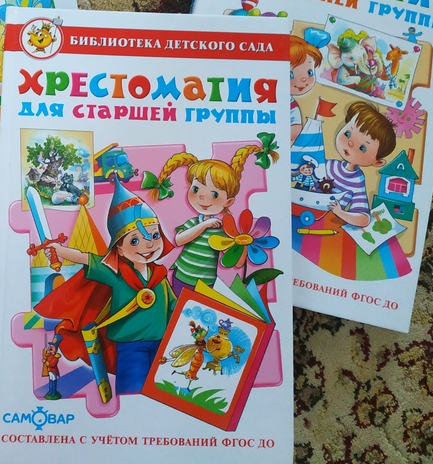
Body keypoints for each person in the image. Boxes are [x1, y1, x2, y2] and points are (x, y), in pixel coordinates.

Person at [45, 177, 176, 395]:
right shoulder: (116, 273)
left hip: (162, 342)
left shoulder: (160, 275)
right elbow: (87, 258)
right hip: (131, 346)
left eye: (155, 235)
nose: (149, 244)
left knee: (163, 390)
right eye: (135, 241)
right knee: (133, 393)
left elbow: (172, 305)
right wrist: (59, 251)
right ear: (119, 249)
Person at [143, 143, 276, 295]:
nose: (201, 197)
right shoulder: (193, 223)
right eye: (195, 189)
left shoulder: (223, 231)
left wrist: (244, 246)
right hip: (181, 276)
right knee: (177, 305)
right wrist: (204, 225)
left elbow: (236, 262)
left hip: (205, 283)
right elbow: (179, 240)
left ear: (228, 202)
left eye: (214, 194)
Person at [325, 101, 396, 227]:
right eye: (348, 134)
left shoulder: (356, 180)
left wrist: (340, 213)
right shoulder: (330, 165)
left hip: (326, 221)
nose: (350, 143)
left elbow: (364, 219)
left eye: (362, 148)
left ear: (377, 162)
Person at [290, 29, 330, 143]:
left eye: (310, 72)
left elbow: (295, 130)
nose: (304, 80)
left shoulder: (291, 106)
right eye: (290, 75)